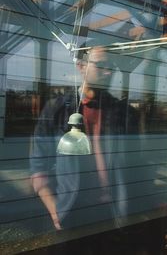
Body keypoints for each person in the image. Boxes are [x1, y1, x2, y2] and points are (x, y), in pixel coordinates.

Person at [30, 46, 139, 230]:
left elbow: (136, 166)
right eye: (102, 65)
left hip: (114, 215)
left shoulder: (124, 113)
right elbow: (38, 167)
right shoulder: (57, 110)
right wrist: (56, 211)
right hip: (72, 213)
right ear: (81, 66)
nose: (108, 72)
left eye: (112, 66)